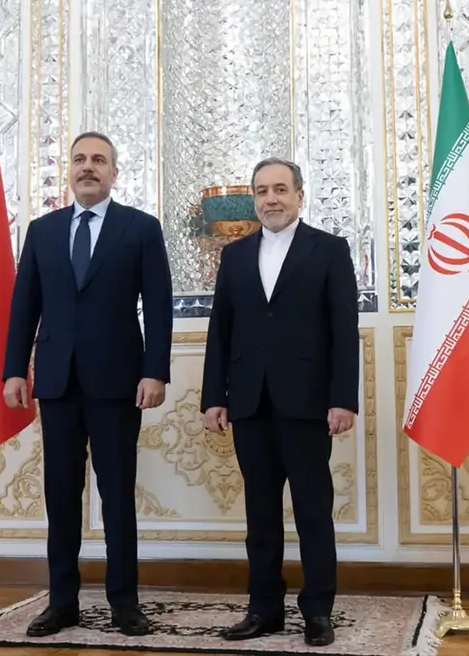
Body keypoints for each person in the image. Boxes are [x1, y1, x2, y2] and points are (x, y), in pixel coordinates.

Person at [2, 131, 173, 638]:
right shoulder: (43, 231)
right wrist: (14, 369)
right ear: (69, 171)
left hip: (119, 382)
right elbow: (24, 305)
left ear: (114, 173)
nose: (88, 167)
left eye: (99, 160)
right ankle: (62, 603)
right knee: (61, 496)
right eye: (79, 159)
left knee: (117, 496)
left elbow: (158, 306)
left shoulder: (140, 229)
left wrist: (155, 370)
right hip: (57, 382)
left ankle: (125, 604)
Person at [200, 157, 359, 647]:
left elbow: (343, 329)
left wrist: (343, 399)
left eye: (280, 190)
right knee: (260, 516)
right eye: (262, 191)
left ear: (299, 196)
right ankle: (263, 609)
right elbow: (221, 331)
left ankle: (318, 611)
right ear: (254, 198)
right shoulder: (235, 256)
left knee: (313, 512)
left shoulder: (329, 250)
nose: (271, 199)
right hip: (249, 403)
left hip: (308, 403)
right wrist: (214, 397)